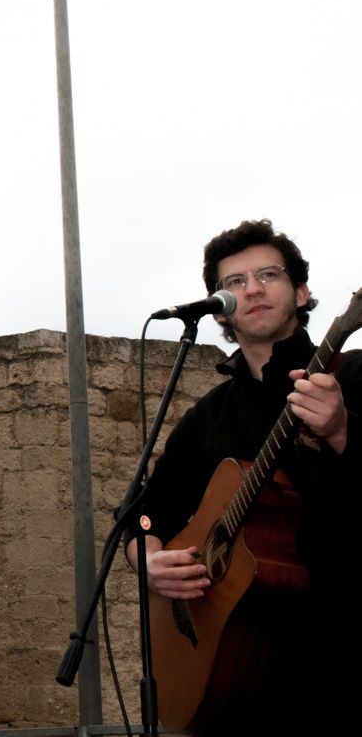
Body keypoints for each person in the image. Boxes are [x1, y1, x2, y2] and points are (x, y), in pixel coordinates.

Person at [129, 219, 359, 734]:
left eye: (268, 275)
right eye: (234, 282)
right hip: (236, 676)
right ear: (219, 309)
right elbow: (144, 515)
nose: (251, 289)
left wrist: (343, 431)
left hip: (339, 655)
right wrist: (147, 559)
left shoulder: (351, 376)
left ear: (300, 293)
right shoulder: (207, 417)